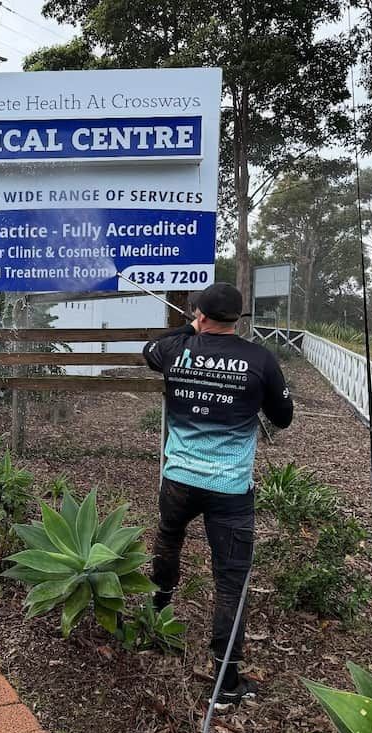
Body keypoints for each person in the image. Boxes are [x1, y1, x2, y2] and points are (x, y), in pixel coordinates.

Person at [143, 282, 293, 705]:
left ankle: (160, 603)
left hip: (179, 480)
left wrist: (190, 331)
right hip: (229, 489)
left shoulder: (177, 349)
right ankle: (225, 684)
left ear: (200, 314)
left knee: (169, 538)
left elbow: (151, 350)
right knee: (230, 583)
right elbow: (282, 418)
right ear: (238, 319)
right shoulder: (260, 359)